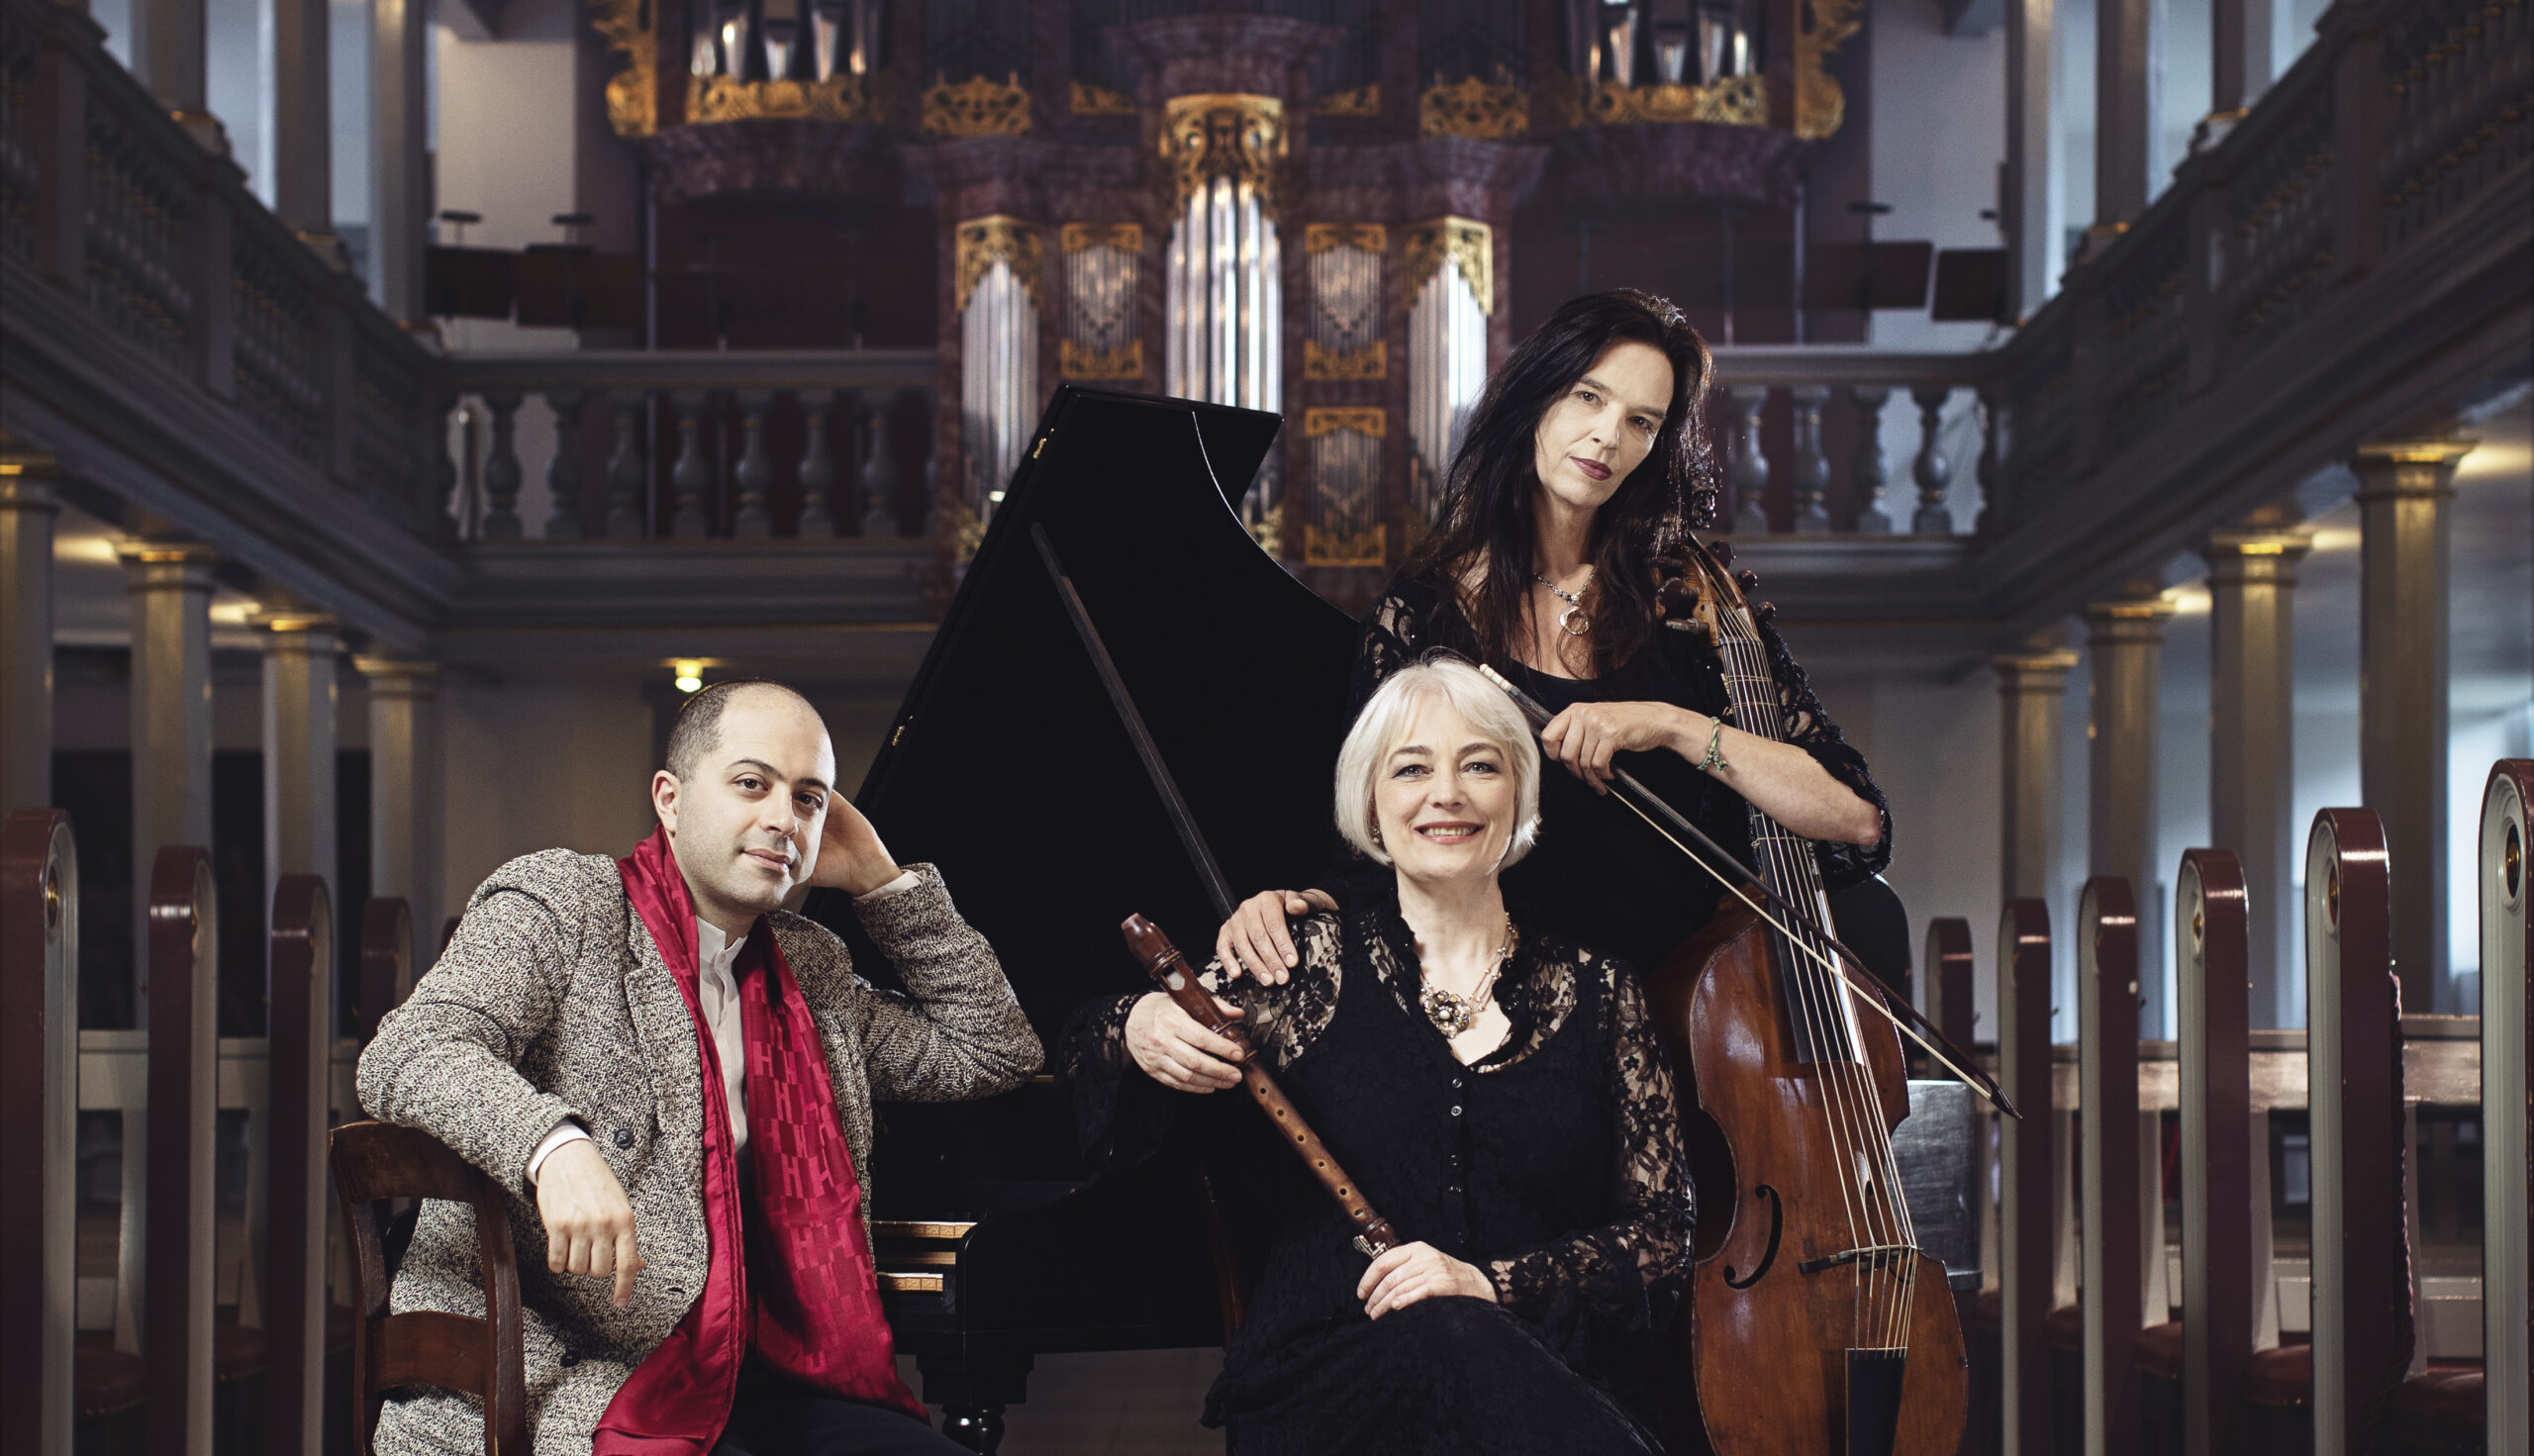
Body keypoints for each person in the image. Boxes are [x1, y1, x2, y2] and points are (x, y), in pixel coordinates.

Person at [357, 680, 1042, 1456]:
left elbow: (994, 1047)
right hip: (572, 1380)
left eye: (809, 798)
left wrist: (883, 880)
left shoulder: (809, 968)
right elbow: (409, 1050)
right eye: (752, 783)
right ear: (671, 799)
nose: (784, 818)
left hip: (760, 1377)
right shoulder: (567, 905)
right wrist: (554, 1146)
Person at [1061, 658, 1690, 1456]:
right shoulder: (1302, 967)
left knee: (1460, 1330)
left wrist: (1486, 1282)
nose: (1447, 793)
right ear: (1370, 805)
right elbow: (1082, 1046)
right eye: (1412, 768)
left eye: (1480, 765)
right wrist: (1136, 1022)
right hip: (1335, 1382)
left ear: (1520, 796)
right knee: (1444, 1335)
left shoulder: (1603, 993)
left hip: (1548, 1382)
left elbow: (1662, 1239)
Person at [1216, 288, 1890, 990]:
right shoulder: (1425, 615)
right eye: (1588, 397)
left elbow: (1858, 819)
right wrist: (1293, 905)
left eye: (1641, 421)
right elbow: (1372, 854)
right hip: (1498, 1011)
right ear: (1537, 397)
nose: (1608, 436)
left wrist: (1673, 726)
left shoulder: (1687, 611)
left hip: (1682, 1007)